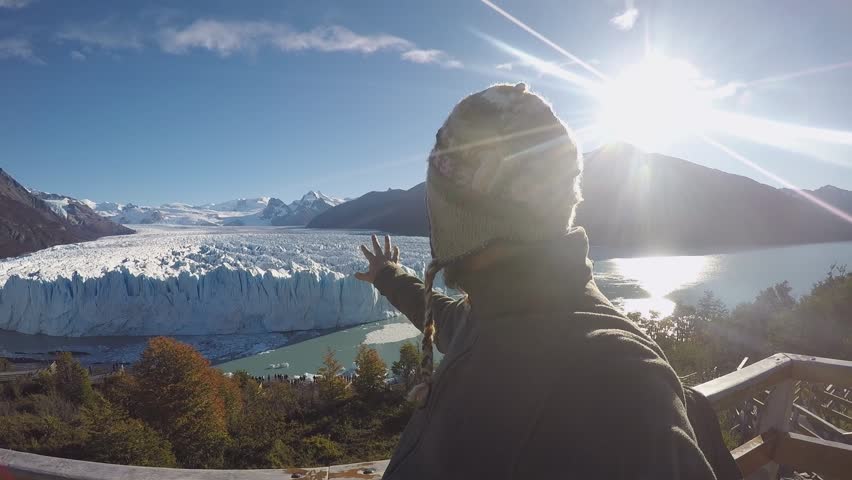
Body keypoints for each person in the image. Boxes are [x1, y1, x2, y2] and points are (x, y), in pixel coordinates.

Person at [355, 83, 740, 479]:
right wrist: (389, 276)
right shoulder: (493, 315)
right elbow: (443, 317)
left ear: (463, 219)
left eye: (436, 208)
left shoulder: (613, 372)